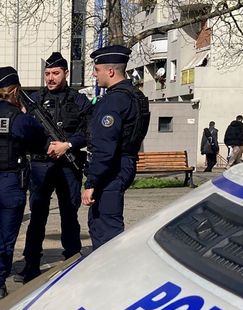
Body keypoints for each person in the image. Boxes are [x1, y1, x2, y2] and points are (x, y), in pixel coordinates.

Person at [0, 66, 48, 307]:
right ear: (15, 91)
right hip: (8, 183)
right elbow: (40, 140)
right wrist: (25, 113)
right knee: (5, 238)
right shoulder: (18, 119)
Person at [15, 52, 91, 283]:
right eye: (47, 73)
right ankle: (31, 264)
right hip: (41, 164)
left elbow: (88, 132)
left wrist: (67, 145)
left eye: (55, 73)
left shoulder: (79, 101)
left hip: (69, 165)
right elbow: (25, 132)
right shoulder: (35, 100)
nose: (50, 78)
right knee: (38, 214)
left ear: (66, 74)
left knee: (69, 214)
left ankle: (72, 259)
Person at [80, 45, 150, 250]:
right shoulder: (135, 96)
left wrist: (91, 182)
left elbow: (104, 147)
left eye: (97, 69)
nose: (94, 74)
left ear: (110, 71)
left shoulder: (113, 101)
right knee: (104, 223)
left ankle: (109, 276)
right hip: (124, 163)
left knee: (105, 228)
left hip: (111, 169)